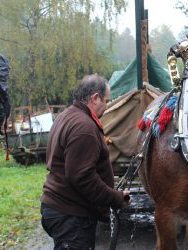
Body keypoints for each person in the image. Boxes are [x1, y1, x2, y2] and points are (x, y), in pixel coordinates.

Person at [41, 74, 129, 250]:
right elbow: (82, 177)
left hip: (61, 211)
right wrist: (115, 198)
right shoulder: (84, 127)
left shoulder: (67, 116)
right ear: (95, 98)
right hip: (71, 216)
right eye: (106, 101)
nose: (106, 106)